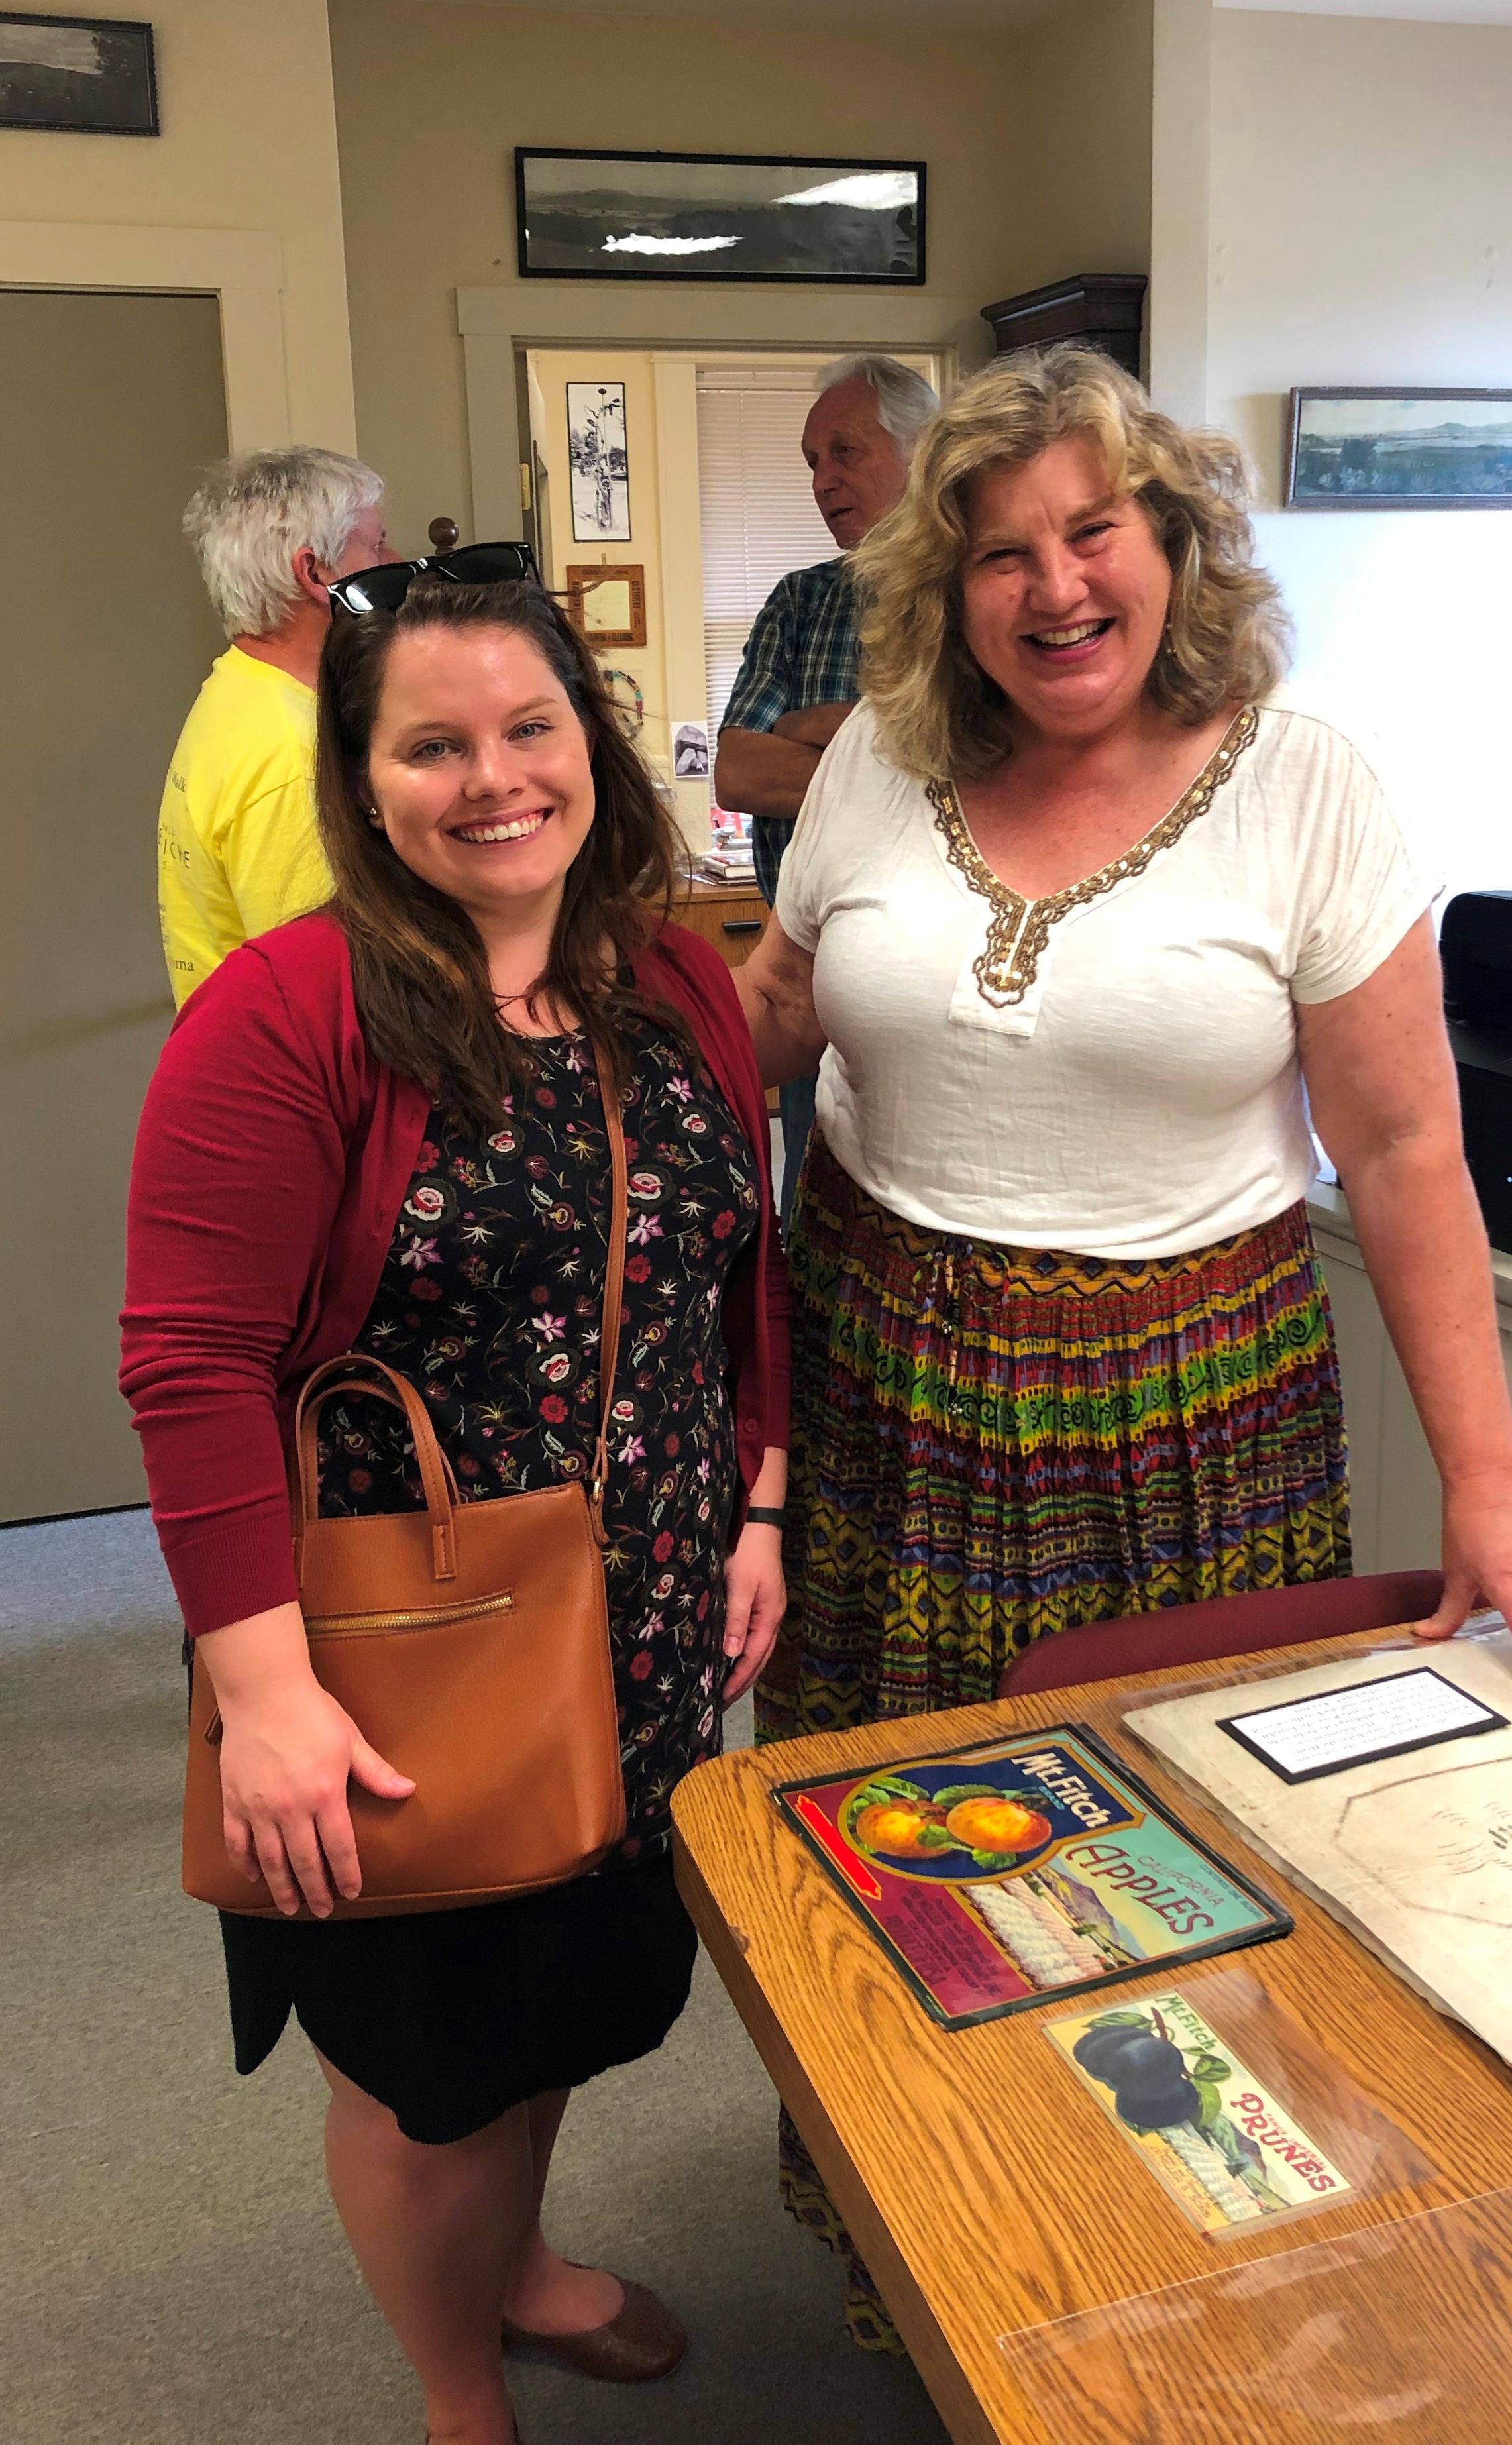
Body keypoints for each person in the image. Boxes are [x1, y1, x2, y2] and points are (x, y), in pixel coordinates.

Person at [735, 346, 1512, 2340]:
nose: (1052, 585)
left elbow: (1405, 1146)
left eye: (1092, 531)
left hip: (1188, 1411)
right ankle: (922, 2245)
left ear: (1170, 544)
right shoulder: (881, 757)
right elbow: (777, 1015)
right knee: (902, 1847)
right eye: (997, 552)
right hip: (889, 1384)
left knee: (1172, 1853)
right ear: (942, 585)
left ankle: (1159, 2263)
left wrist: (1491, 1489)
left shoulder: (1303, 781)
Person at [122, 554, 790, 2445]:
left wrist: (754, 1504)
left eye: (528, 727)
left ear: (588, 740)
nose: (492, 778)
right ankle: (452, 2385)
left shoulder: (666, 974)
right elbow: (186, 1370)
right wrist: (264, 1695)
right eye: (433, 744)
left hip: (645, 1604)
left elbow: (738, 1258)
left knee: (565, 1996)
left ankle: (518, 2262)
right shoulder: (284, 1014)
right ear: (364, 775)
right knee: (431, 2061)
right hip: (390, 1638)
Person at [713, 354, 938, 1206]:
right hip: (812, 976)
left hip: (945, 973)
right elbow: (738, 772)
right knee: (815, 1213)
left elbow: (975, 767)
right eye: (812, 462)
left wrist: (815, 732)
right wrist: (899, 746)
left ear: (925, 451)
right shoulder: (800, 602)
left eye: (845, 451)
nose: (823, 480)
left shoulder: (981, 595)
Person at [158, 445, 399, 1005]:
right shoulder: (294, 753)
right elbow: (329, 993)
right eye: (377, 543)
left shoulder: (237, 691)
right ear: (316, 572)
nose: (395, 558)